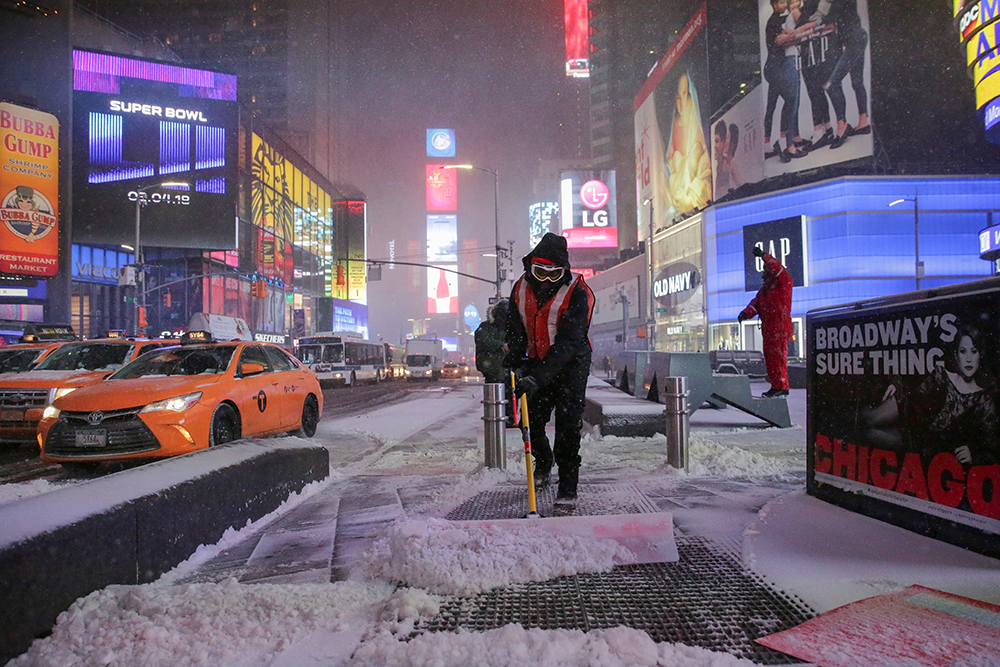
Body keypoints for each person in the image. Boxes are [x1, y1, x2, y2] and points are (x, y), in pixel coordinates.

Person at [505, 233, 595, 507]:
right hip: (535, 362)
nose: (545, 279)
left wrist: (539, 377)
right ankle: (543, 463)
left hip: (571, 366)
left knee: (568, 428)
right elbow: (516, 327)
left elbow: (569, 342)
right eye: (539, 272)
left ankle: (567, 487)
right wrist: (516, 360)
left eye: (552, 274)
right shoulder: (520, 288)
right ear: (530, 266)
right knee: (531, 423)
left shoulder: (579, 293)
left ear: (563, 272)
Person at [738, 246, 793, 397]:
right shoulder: (765, 291)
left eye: (766, 270)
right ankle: (777, 385)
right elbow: (755, 305)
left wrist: (764, 255)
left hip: (780, 326)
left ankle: (781, 386)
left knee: (778, 358)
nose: (763, 274)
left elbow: (778, 268)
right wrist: (745, 314)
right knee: (771, 358)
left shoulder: (784, 283)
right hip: (769, 328)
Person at [475, 299, 515, 427]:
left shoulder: (508, 327)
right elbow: (482, 340)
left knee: (510, 395)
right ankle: (500, 421)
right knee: (498, 397)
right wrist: (500, 345)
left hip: (506, 370)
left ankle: (509, 419)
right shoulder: (486, 327)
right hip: (495, 370)